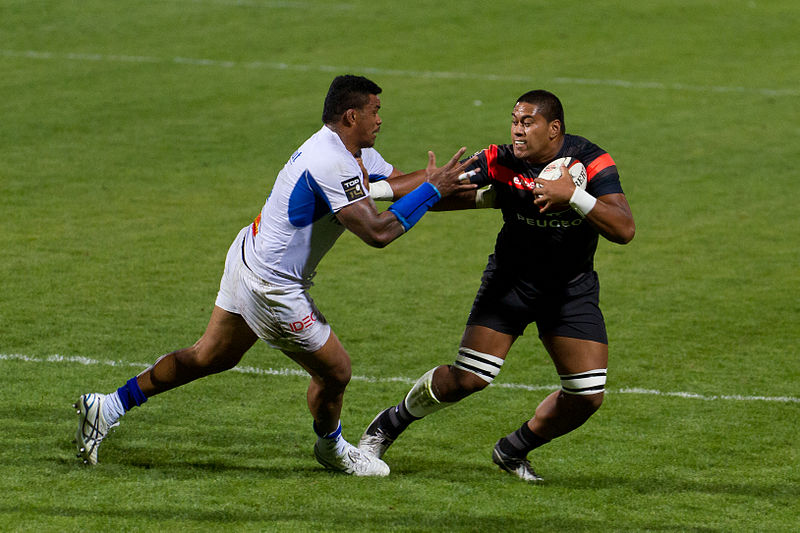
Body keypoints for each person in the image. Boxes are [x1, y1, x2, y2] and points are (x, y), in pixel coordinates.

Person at [74, 74, 477, 476]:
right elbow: (377, 232)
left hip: (250, 254)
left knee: (210, 356)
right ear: (352, 115)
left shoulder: (352, 152)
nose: (380, 120)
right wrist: (433, 189)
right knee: (336, 371)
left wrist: (482, 195)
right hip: (272, 285)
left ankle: (106, 406)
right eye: (375, 112)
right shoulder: (331, 161)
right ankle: (332, 448)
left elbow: (401, 188)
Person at [358, 89, 635, 481]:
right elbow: (442, 184)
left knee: (587, 395)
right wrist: (371, 191)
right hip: (511, 284)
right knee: (468, 379)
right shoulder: (500, 160)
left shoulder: (592, 162)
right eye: (514, 121)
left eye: (528, 122)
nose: (517, 131)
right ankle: (388, 424)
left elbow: (624, 229)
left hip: (570, 290)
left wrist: (574, 196)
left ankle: (512, 450)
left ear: (554, 128)